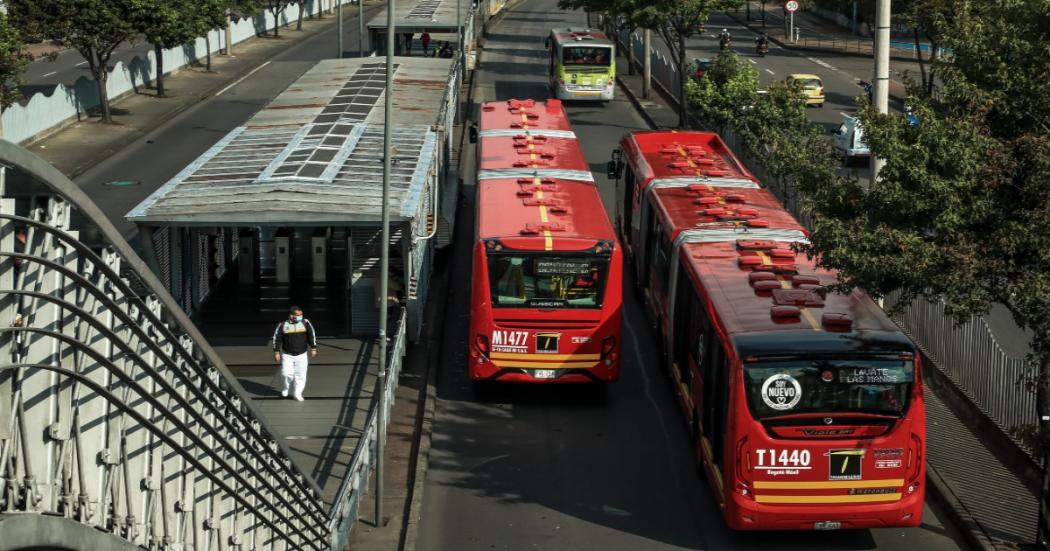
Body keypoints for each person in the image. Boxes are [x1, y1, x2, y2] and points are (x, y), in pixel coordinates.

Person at [272, 306, 318, 401]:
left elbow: (311, 335)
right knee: (286, 373)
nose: (300, 316)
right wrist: (276, 352)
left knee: (300, 375)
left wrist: (313, 348)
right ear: (291, 315)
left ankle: (297, 393)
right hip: (287, 355)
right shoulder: (283, 325)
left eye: (301, 314)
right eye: (298, 315)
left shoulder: (305, 323)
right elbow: (276, 338)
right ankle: (286, 387)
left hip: (302, 355)